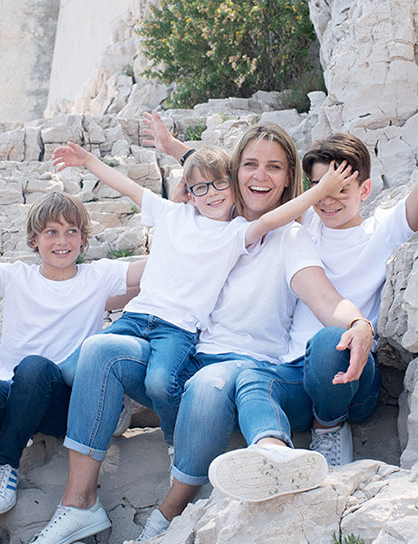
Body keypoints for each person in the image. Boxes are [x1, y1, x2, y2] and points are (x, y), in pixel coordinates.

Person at [18, 123, 374, 544]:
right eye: (250, 165)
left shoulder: (288, 236)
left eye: (274, 167)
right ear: (234, 171)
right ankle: (78, 503)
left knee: (209, 385)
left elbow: (323, 297)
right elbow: (182, 217)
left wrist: (358, 322)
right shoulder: (200, 218)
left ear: (289, 180)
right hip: (184, 350)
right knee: (100, 350)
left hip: (243, 366)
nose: (260, 176)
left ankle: (169, 513)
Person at [209, 45, 418, 501]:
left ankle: (330, 428)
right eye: (320, 190)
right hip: (295, 376)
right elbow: (249, 194)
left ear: (364, 188)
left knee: (329, 340)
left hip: (352, 376)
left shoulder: (384, 229)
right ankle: (273, 457)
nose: (330, 201)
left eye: (341, 189)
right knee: (251, 376)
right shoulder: (302, 231)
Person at [49, 141, 356, 449]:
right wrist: (87, 159)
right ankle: (114, 406)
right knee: (73, 367)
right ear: (190, 192)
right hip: (140, 316)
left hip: (180, 330)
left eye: (220, 185)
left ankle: (175, 442)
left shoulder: (236, 232)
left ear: (233, 185)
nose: (211, 193)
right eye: (200, 189)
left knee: (162, 382)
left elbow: (270, 220)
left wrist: (320, 190)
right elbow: (129, 187)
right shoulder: (174, 214)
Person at [0, 168, 142, 515]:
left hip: (64, 403)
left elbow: (153, 270)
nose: (62, 241)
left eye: (71, 232)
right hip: (15, 393)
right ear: (34, 239)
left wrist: (192, 225)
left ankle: (4, 461)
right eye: (51, 232)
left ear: (84, 239)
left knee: (36, 368)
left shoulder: (98, 276)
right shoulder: (16, 277)